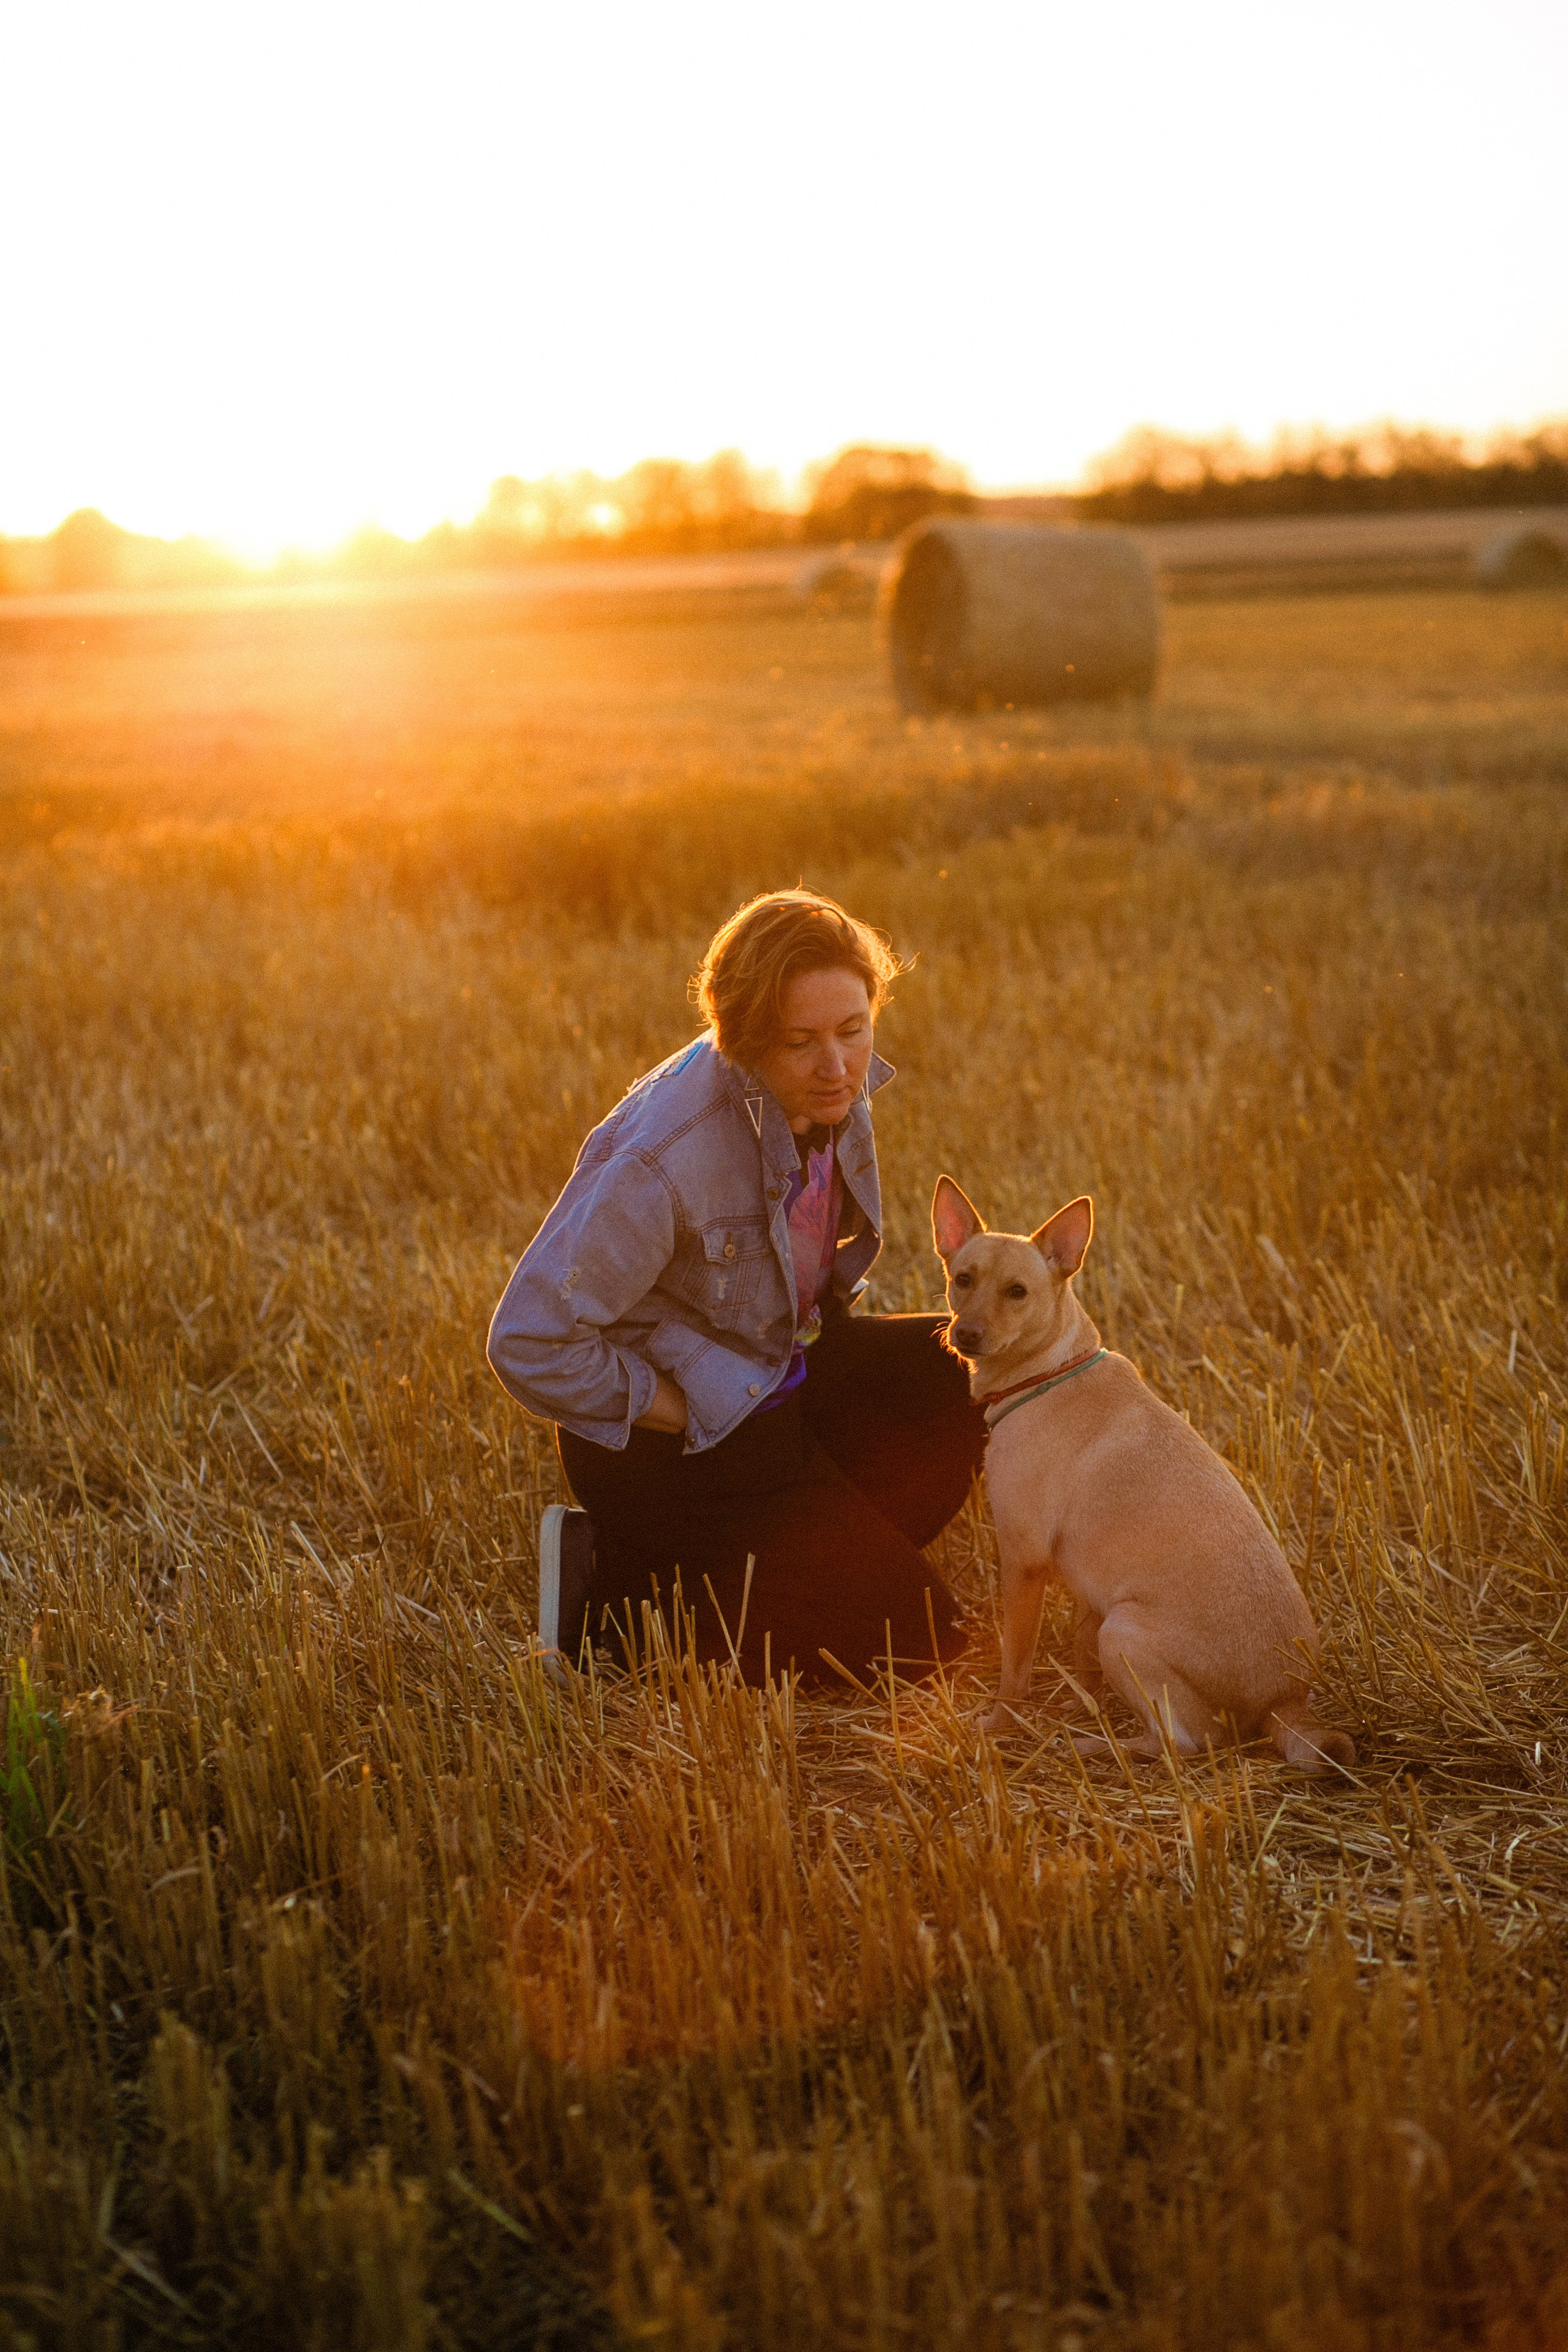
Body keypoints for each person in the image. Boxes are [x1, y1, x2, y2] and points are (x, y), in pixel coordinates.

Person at [486, 888, 987, 1686]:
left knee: (967, 1374)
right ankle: (618, 1615)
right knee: (925, 1650)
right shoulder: (665, 1158)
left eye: (854, 1031)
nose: (837, 1066)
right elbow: (529, 1341)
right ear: (744, 1041)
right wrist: (680, 1407)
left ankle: (707, 1567)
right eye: (802, 1042)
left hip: (776, 1377)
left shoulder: (828, 1085)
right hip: (676, 1442)